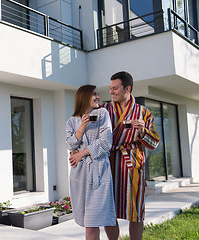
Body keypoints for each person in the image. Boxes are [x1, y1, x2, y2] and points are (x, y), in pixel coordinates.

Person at [103, 71, 160, 240]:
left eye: (115, 88)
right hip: (108, 164)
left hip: (132, 166)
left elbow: (154, 143)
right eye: (110, 88)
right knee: (108, 209)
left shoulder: (143, 112)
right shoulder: (104, 110)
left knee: (136, 210)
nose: (111, 92)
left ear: (127, 88)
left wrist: (142, 131)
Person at [66, 85, 116, 240]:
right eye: (94, 94)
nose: (98, 97)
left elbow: (106, 142)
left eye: (97, 94)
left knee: (93, 222)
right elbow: (69, 144)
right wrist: (82, 126)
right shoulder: (72, 121)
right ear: (84, 96)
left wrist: (81, 153)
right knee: (88, 221)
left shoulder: (102, 114)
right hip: (80, 174)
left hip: (99, 172)